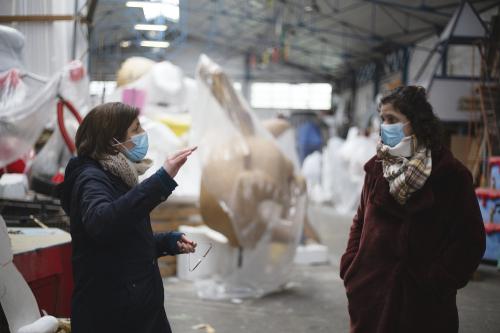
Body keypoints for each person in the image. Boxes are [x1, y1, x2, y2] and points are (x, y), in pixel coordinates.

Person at [340, 86, 486, 333]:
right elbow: (360, 221)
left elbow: (470, 241)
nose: (385, 126)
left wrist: (437, 282)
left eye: (393, 119)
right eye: (383, 119)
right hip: (370, 298)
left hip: (424, 308)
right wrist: (352, 269)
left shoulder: (450, 175)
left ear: (416, 123)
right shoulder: (377, 169)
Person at [59, 102, 197, 333]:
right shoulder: (91, 179)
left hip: (137, 310)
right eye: (136, 129)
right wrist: (162, 180)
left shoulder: (118, 175)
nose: (143, 135)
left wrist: (166, 242)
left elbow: (122, 243)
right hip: (112, 316)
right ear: (113, 139)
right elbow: (103, 224)